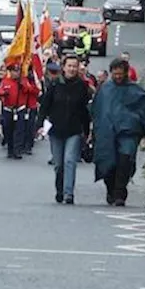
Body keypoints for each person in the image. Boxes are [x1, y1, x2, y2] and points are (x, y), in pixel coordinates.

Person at [90, 58, 145, 206]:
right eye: (115, 74)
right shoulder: (104, 90)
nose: (118, 77)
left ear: (126, 73)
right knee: (108, 163)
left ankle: (120, 193)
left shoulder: (135, 90)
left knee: (125, 161)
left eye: (120, 74)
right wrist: (92, 131)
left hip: (128, 134)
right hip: (107, 133)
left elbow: (144, 114)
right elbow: (97, 111)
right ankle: (111, 189)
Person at [38, 53, 92, 204]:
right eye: (69, 66)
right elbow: (45, 106)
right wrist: (39, 124)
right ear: (63, 67)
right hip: (56, 130)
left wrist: (87, 131)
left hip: (74, 130)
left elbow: (84, 110)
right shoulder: (55, 84)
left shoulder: (82, 86)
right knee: (58, 164)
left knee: (70, 160)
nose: (72, 69)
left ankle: (69, 193)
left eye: (75, 66)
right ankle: (60, 190)